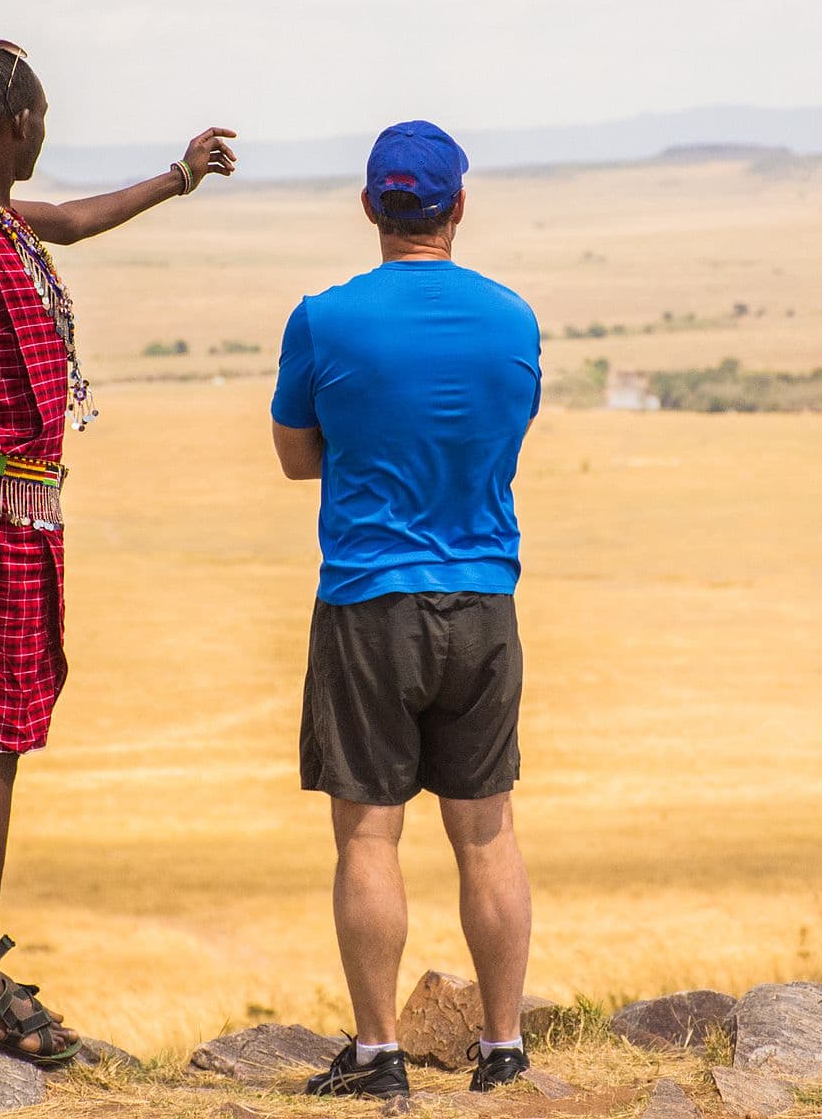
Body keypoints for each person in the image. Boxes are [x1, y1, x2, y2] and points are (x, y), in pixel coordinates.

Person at [0, 39, 235, 1062]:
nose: (47, 129)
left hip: (15, 515)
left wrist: (178, 179)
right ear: (16, 125)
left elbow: (76, 221)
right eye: (42, 116)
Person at [270, 121, 543, 1098]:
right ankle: (504, 1047)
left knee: (369, 835)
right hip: (484, 600)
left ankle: (382, 1055)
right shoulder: (513, 319)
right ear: (458, 206)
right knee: (487, 830)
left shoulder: (323, 318)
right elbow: (499, 442)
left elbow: (298, 454)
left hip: (367, 603)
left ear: (370, 207)